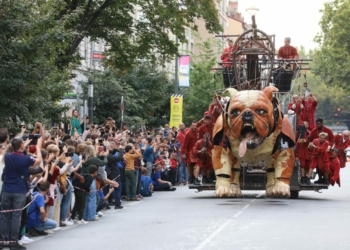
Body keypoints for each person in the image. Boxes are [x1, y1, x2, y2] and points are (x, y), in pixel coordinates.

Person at [0, 137, 42, 250]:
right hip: (19, 190)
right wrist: (38, 147)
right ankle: (13, 242)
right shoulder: (26, 159)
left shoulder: (7, 157)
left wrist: (21, 144)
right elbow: (38, 161)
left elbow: (10, 149)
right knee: (16, 216)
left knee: (4, 215)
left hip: (6, 189)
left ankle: (3, 241)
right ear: (22, 146)